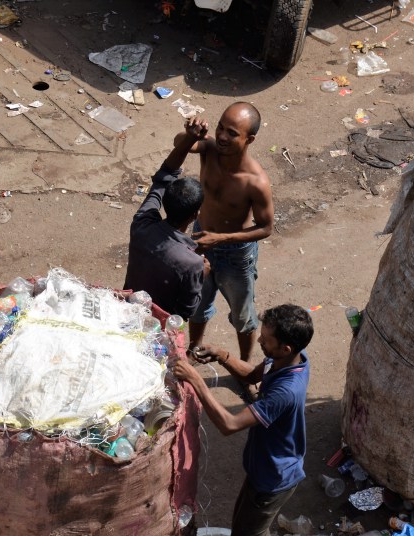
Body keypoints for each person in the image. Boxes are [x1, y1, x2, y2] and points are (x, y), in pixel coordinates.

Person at [171, 304, 313, 536]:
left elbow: (230, 424)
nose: (260, 341)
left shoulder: (286, 391)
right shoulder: (288, 360)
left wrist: (196, 381)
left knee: (247, 532)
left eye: (266, 340)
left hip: (273, 478)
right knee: (246, 527)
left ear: (286, 348)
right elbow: (252, 375)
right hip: (263, 469)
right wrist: (222, 355)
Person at [174, 102, 274, 373]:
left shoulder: (255, 181)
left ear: (249, 140)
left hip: (236, 255)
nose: (222, 136)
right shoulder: (209, 149)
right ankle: (193, 351)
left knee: (243, 317)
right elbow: (179, 144)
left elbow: (265, 228)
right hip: (201, 243)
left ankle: (243, 368)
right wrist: (190, 134)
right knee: (197, 305)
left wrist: (220, 239)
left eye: (232, 133)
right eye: (220, 127)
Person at [123, 118, 211, 319]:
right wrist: (202, 275)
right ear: (195, 215)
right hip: (155, 326)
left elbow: (164, 175)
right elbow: (186, 311)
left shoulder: (142, 224)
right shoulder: (192, 263)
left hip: (128, 310)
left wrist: (190, 139)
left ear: (165, 202)